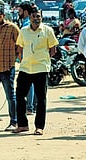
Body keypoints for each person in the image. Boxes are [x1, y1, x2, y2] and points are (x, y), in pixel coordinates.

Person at [13, 7, 58, 135]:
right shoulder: (23, 31)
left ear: (41, 17)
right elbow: (19, 48)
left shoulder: (47, 31)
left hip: (41, 69)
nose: (36, 19)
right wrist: (23, 60)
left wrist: (43, 60)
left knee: (41, 99)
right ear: (30, 17)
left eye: (38, 16)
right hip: (25, 68)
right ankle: (22, 125)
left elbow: (53, 49)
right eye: (34, 16)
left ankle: (39, 127)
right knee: (20, 96)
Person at [17, 1, 37, 115]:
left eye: (20, 10)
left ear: (25, 11)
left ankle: (29, 107)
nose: (18, 13)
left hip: (28, 56)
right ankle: (32, 106)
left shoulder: (26, 25)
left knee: (29, 83)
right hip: (32, 56)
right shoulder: (27, 22)